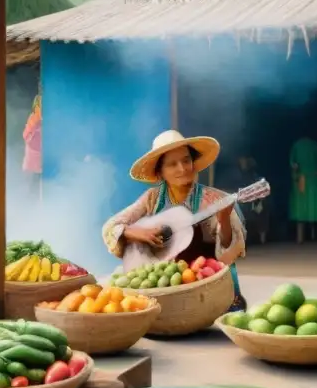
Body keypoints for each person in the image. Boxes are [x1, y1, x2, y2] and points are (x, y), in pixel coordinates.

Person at [102, 130, 247, 311]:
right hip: (164, 280)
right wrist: (135, 232)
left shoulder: (214, 199)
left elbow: (228, 251)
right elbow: (111, 226)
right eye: (172, 164)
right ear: (160, 172)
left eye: (186, 160)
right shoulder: (152, 198)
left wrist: (224, 220)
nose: (182, 168)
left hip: (202, 280)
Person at [289, 136, 317, 243]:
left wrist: (296, 175)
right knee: (316, 208)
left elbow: (293, 164)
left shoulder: (297, 145)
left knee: (301, 209)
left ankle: (300, 237)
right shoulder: (315, 145)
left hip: (303, 180)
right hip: (315, 179)